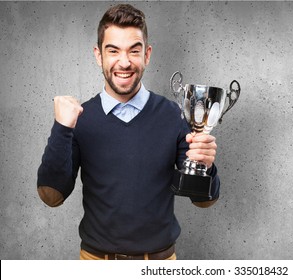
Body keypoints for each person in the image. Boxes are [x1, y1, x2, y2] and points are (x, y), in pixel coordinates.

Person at [37, 4, 220, 260]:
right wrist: (61, 128)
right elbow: (51, 196)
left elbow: (202, 201)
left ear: (147, 55)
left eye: (134, 51)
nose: (124, 62)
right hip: (95, 264)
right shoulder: (79, 118)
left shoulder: (174, 114)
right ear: (99, 56)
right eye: (113, 51)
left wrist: (206, 166)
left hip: (160, 264)